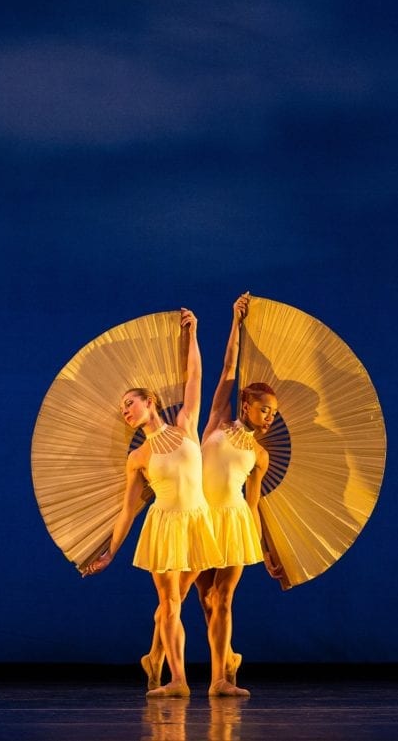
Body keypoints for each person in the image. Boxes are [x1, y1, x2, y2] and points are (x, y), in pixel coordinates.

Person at [141, 293, 278, 697]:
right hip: (200, 517)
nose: (270, 415)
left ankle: (220, 677)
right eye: (265, 408)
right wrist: (236, 322)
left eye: (274, 412)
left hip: (233, 521)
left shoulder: (261, 454)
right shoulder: (218, 418)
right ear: (247, 404)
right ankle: (157, 658)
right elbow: (226, 368)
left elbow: (253, 505)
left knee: (223, 599)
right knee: (182, 597)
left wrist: (267, 549)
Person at [82, 308, 222, 698]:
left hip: (198, 522)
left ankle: (153, 656)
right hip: (163, 525)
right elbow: (128, 510)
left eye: (130, 402)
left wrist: (193, 332)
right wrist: (110, 553)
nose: (125, 410)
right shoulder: (138, 457)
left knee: (173, 604)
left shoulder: (186, 426)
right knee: (170, 603)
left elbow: (195, 377)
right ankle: (177, 680)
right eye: (122, 409)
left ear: (150, 401)